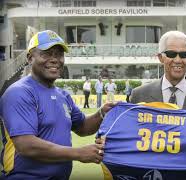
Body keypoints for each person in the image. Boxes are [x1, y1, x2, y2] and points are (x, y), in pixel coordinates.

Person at [0, 30, 116, 179]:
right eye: (46, 54)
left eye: (59, 54)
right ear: (30, 58)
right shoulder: (19, 92)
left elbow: (82, 127)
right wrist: (78, 153)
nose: (55, 59)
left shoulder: (63, 95)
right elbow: (26, 145)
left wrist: (102, 113)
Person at [125, 31, 186, 179]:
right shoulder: (138, 95)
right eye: (171, 54)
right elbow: (128, 138)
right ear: (160, 58)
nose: (177, 60)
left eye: (183, 55)